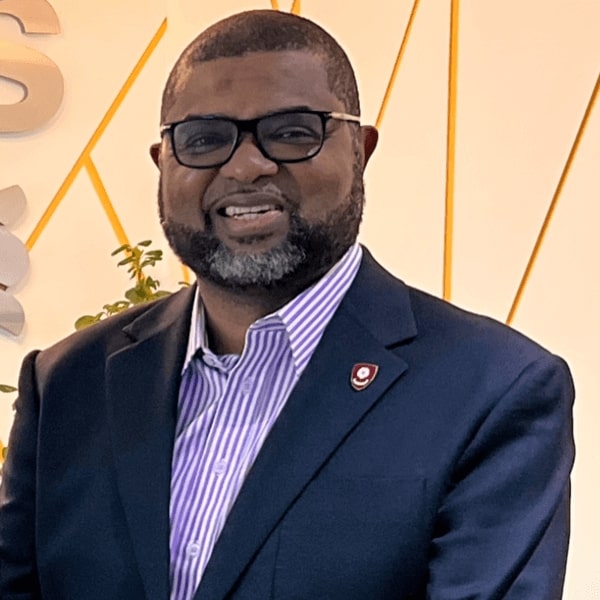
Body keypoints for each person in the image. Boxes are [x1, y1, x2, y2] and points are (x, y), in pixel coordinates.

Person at [0, 9, 574, 600]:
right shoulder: (68, 384)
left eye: (294, 132)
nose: (246, 166)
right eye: (204, 139)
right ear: (163, 163)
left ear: (361, 150)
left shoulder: (493, 389)